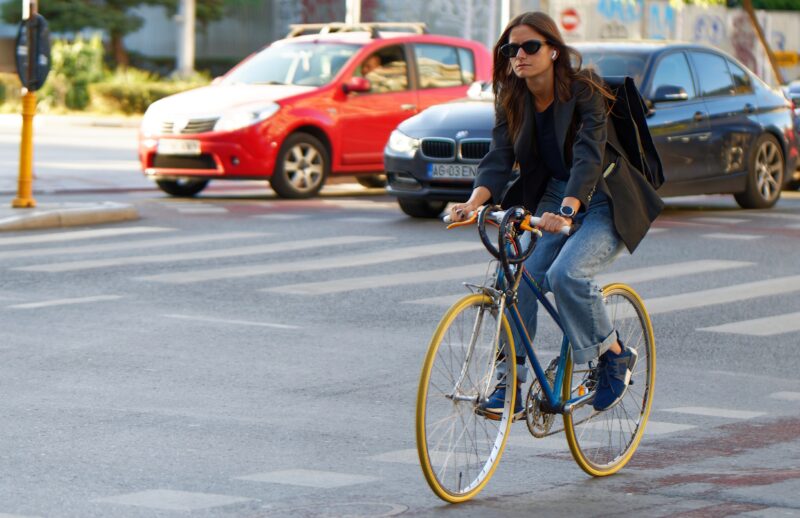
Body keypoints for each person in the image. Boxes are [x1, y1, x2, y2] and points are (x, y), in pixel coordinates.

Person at [448, 12, 663, 414]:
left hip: (604, 200)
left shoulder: (585, 91)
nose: (520, 56)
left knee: (567, 274)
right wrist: (473, 202)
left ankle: (614, 353)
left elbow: (588, 156)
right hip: (551, 199)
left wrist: (567, 211)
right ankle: (508, 383)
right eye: (511, 49)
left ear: (553, 51)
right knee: (517, 278)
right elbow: (499, 156)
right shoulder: (512, 98)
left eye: (530, 46)